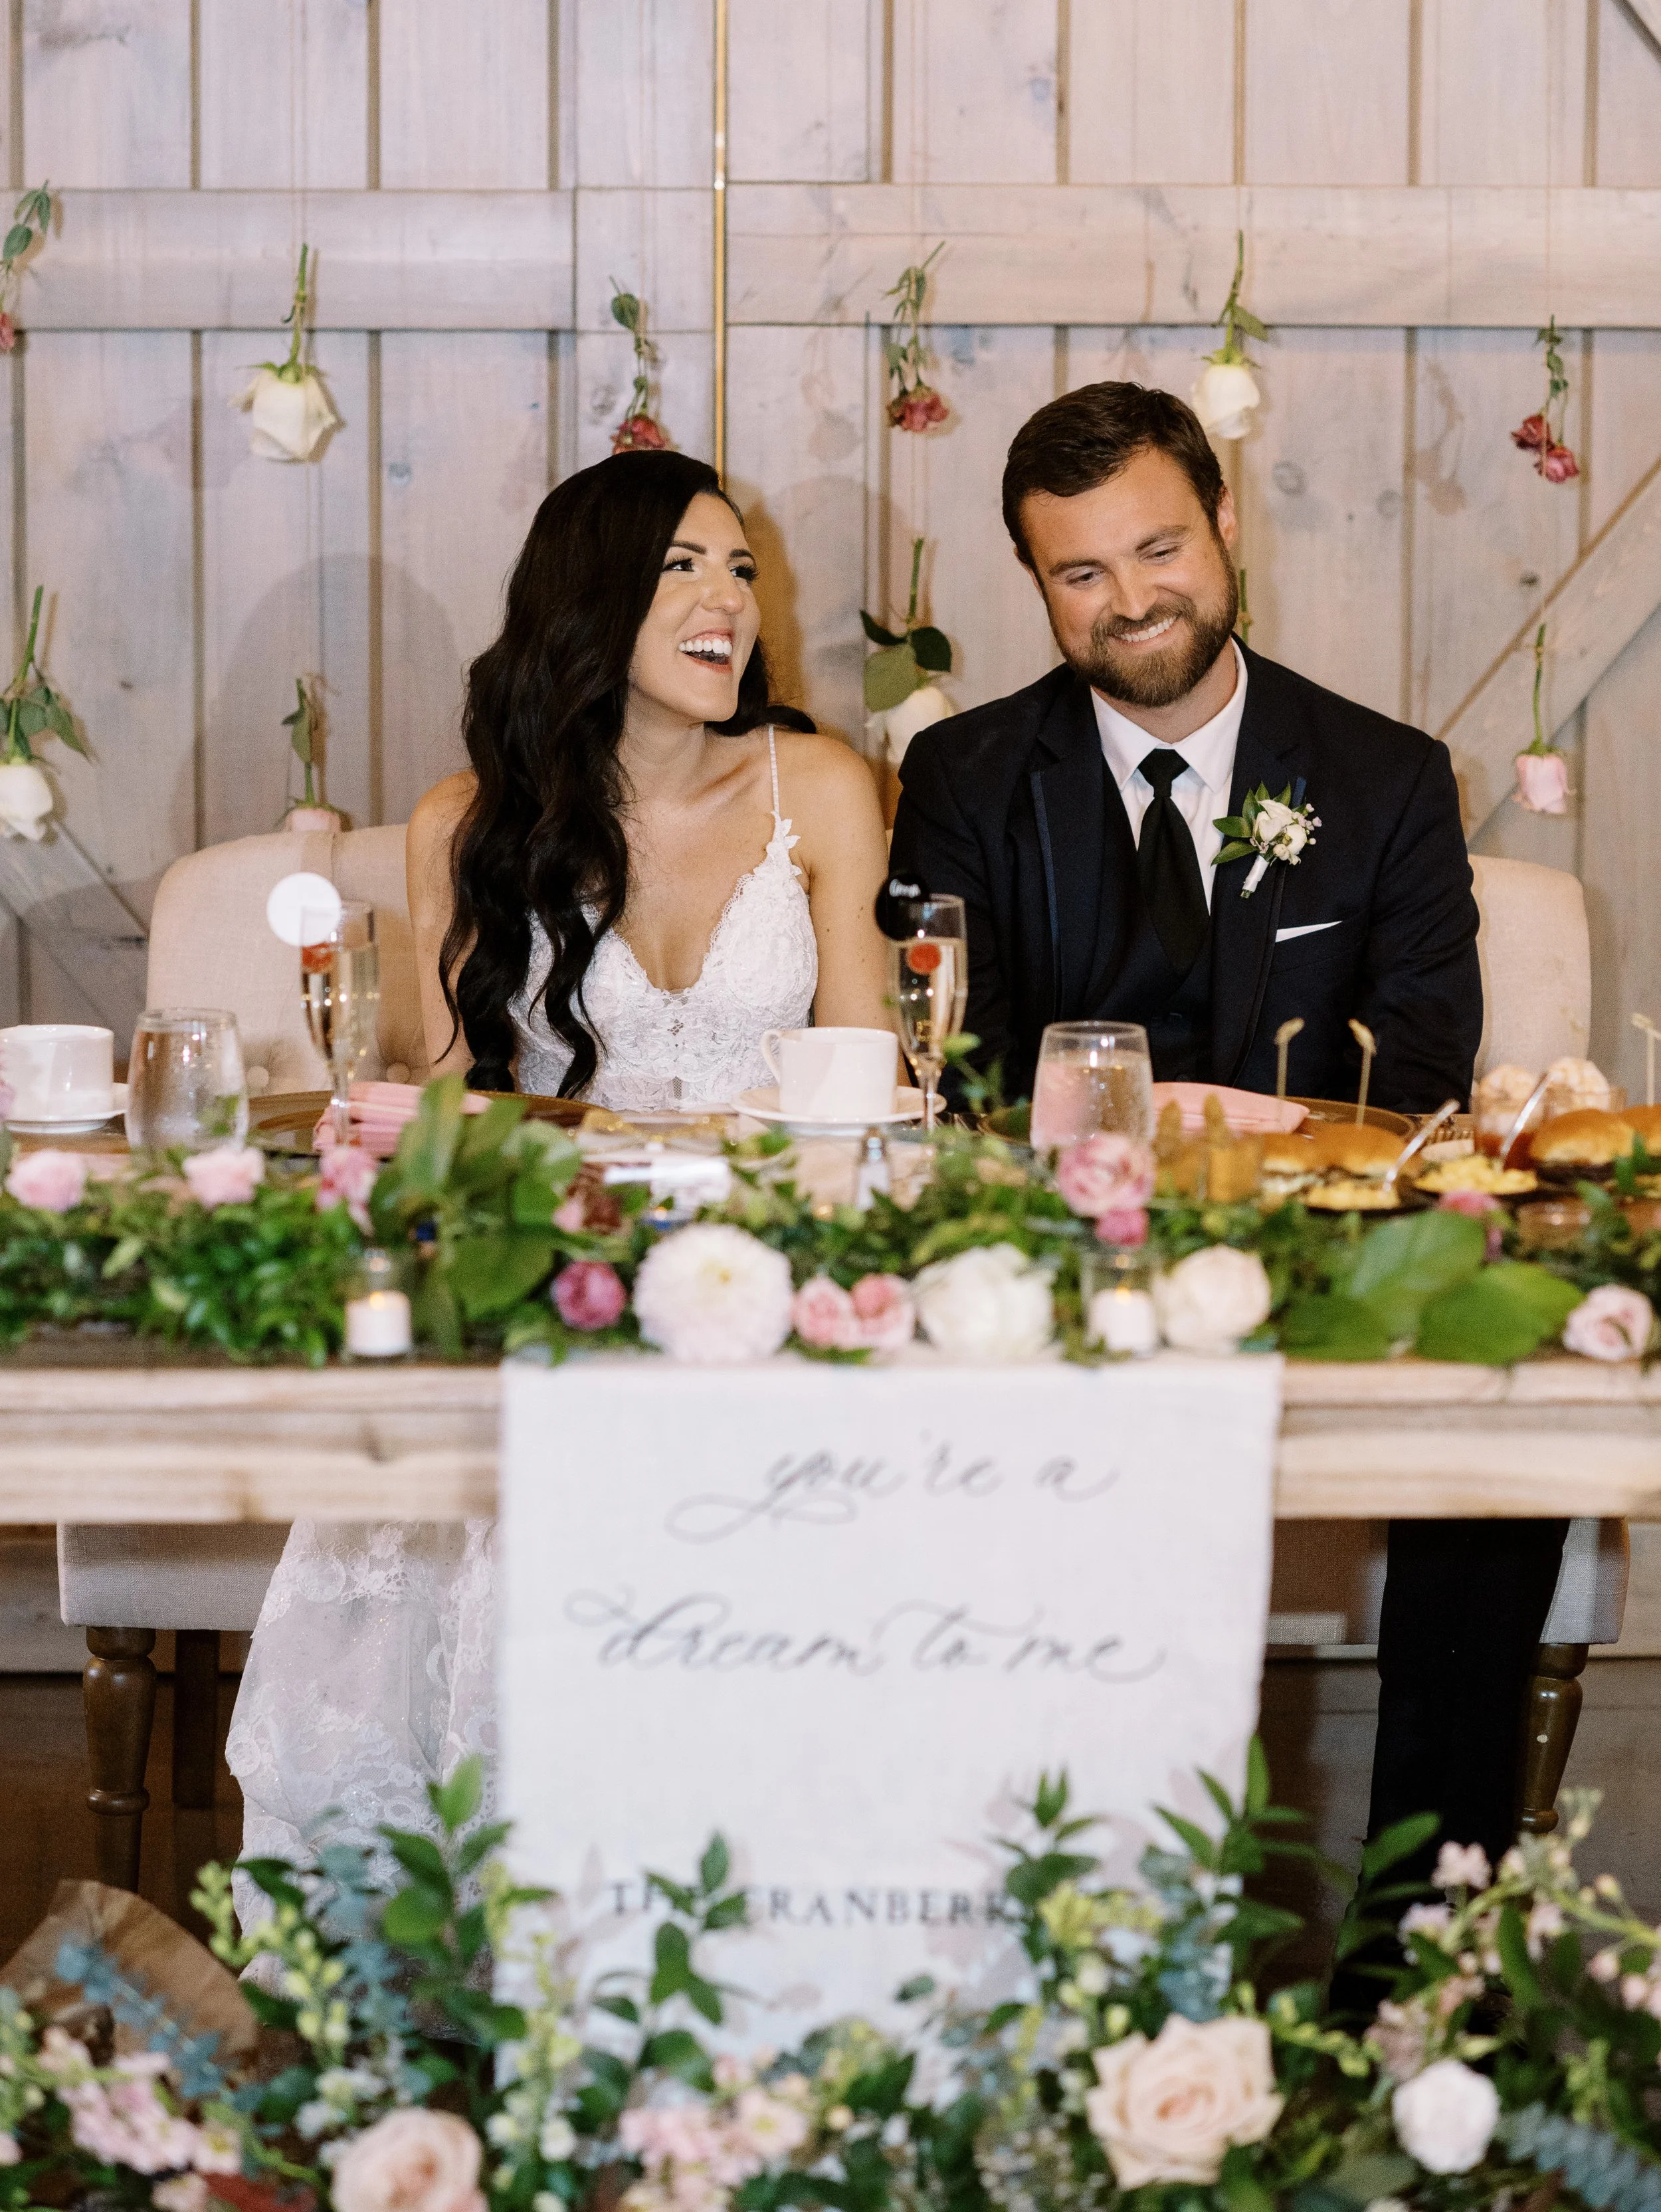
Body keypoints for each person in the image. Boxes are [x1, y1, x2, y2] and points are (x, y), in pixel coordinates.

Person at [890, 380, 1565, 1888]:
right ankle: (1033, 1907)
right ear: (1038, 584)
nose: (1129, 600)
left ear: (1224, 525)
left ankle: (1420, 1940)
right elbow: (958, 1073)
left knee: (1495, 1455)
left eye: (1158, 548)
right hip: (1064, 1276)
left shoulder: (1383, 777)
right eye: (1080, 571)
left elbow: (1416, 1077)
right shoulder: (965, 781)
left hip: (1323, 1270)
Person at [227, 451, 892, 1891]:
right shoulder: (464, 821)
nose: (727, 599)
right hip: (542, 1280)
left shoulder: (820, 787)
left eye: (738, 569)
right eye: (681, 568)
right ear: (590, 604)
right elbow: (461, 1111)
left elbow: (865, 1093)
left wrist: (603, 1149)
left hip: (763, 1278)